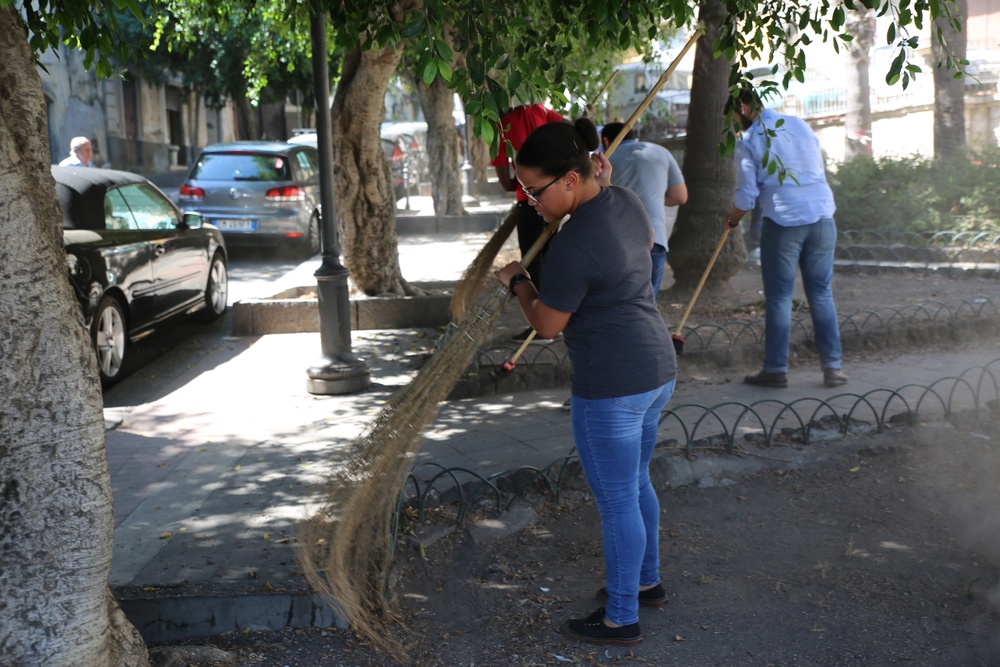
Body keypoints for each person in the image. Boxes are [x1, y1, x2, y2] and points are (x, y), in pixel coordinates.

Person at [494, 118, 678, 646]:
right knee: (637, 483)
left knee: (619, 499)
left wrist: (519, 282)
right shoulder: (622, 201)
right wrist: (597, 176)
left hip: (614, 384)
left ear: (571, 180)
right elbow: (628, 229)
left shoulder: (576, 242)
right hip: (655, 369)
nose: (529, 201)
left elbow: (549, 324)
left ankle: (622, 617)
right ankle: (647, 582)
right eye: (524, 190)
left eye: (535, 189)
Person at [724, 86, 847, 389]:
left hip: (784, 220)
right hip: (821, 216)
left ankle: (776, 370)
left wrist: (733, 220)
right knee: (821, 293)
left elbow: (747, 195)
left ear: (744, 109)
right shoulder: (799, 125)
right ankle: (833, 368)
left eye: (735, 116)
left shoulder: (750, 140)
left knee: (779, 296)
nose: (737, 123)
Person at [491, 104, 565, 341]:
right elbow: (566, 129)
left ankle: (541, 325)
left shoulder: (499, 129)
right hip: (556, 196)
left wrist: (523, 183)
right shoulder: (538, 110)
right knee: (553, 257)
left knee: (533, 262)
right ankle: (558, 318)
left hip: (529, 200)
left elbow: (505, 182)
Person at [600, 122, 687, 299]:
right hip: (656, 238)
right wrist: (653, 197)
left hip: (617, 241)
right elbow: (680, 196)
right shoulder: (661, 152)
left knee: (617, 303)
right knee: (647, 307)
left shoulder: (605, 158)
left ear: (606, 140)